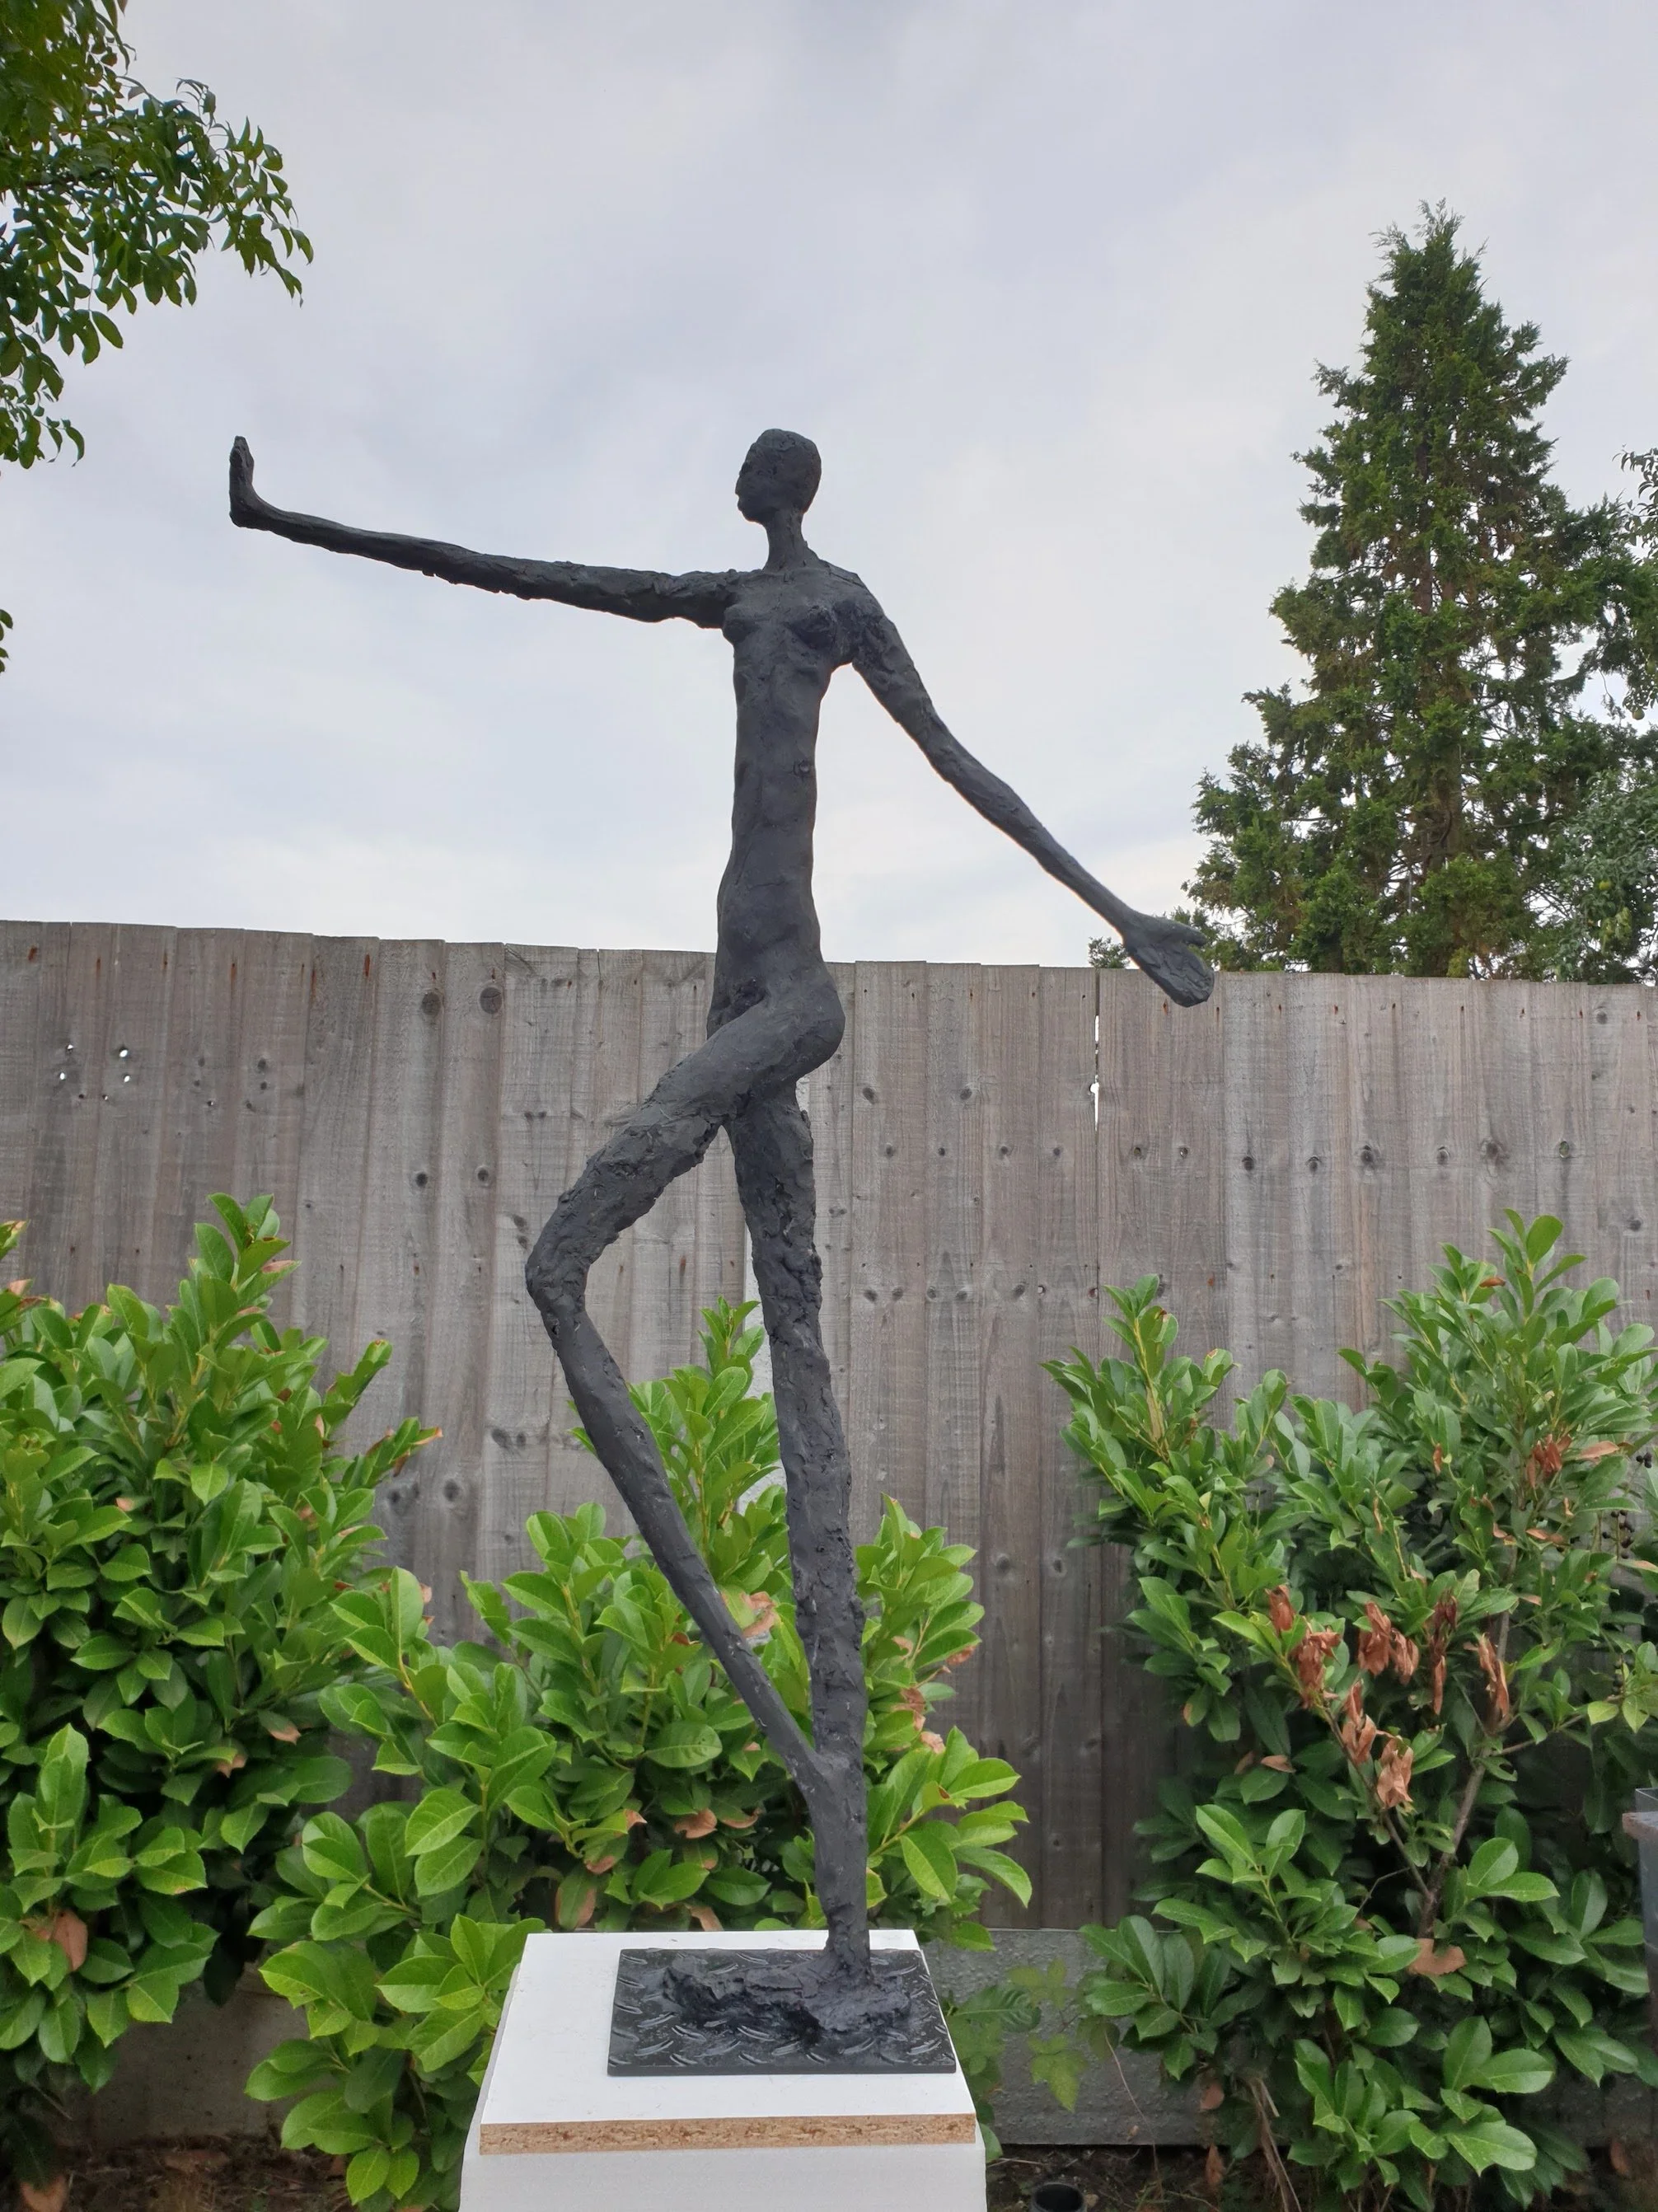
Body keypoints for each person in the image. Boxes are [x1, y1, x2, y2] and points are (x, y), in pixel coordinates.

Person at [229, 429, 1212, 2036]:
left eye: (768, 463)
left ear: (799, 485)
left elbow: (963, 763)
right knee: (800, 1374)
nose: (747, 479)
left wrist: (1123, 915)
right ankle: (836, 1863)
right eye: (742, 466)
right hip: (730, 991)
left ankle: (796, 1741)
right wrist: (293, 523)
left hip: (794, 999)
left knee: (559, 1267)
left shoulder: (836, 609)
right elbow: (523, 573)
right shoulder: (727, 603)